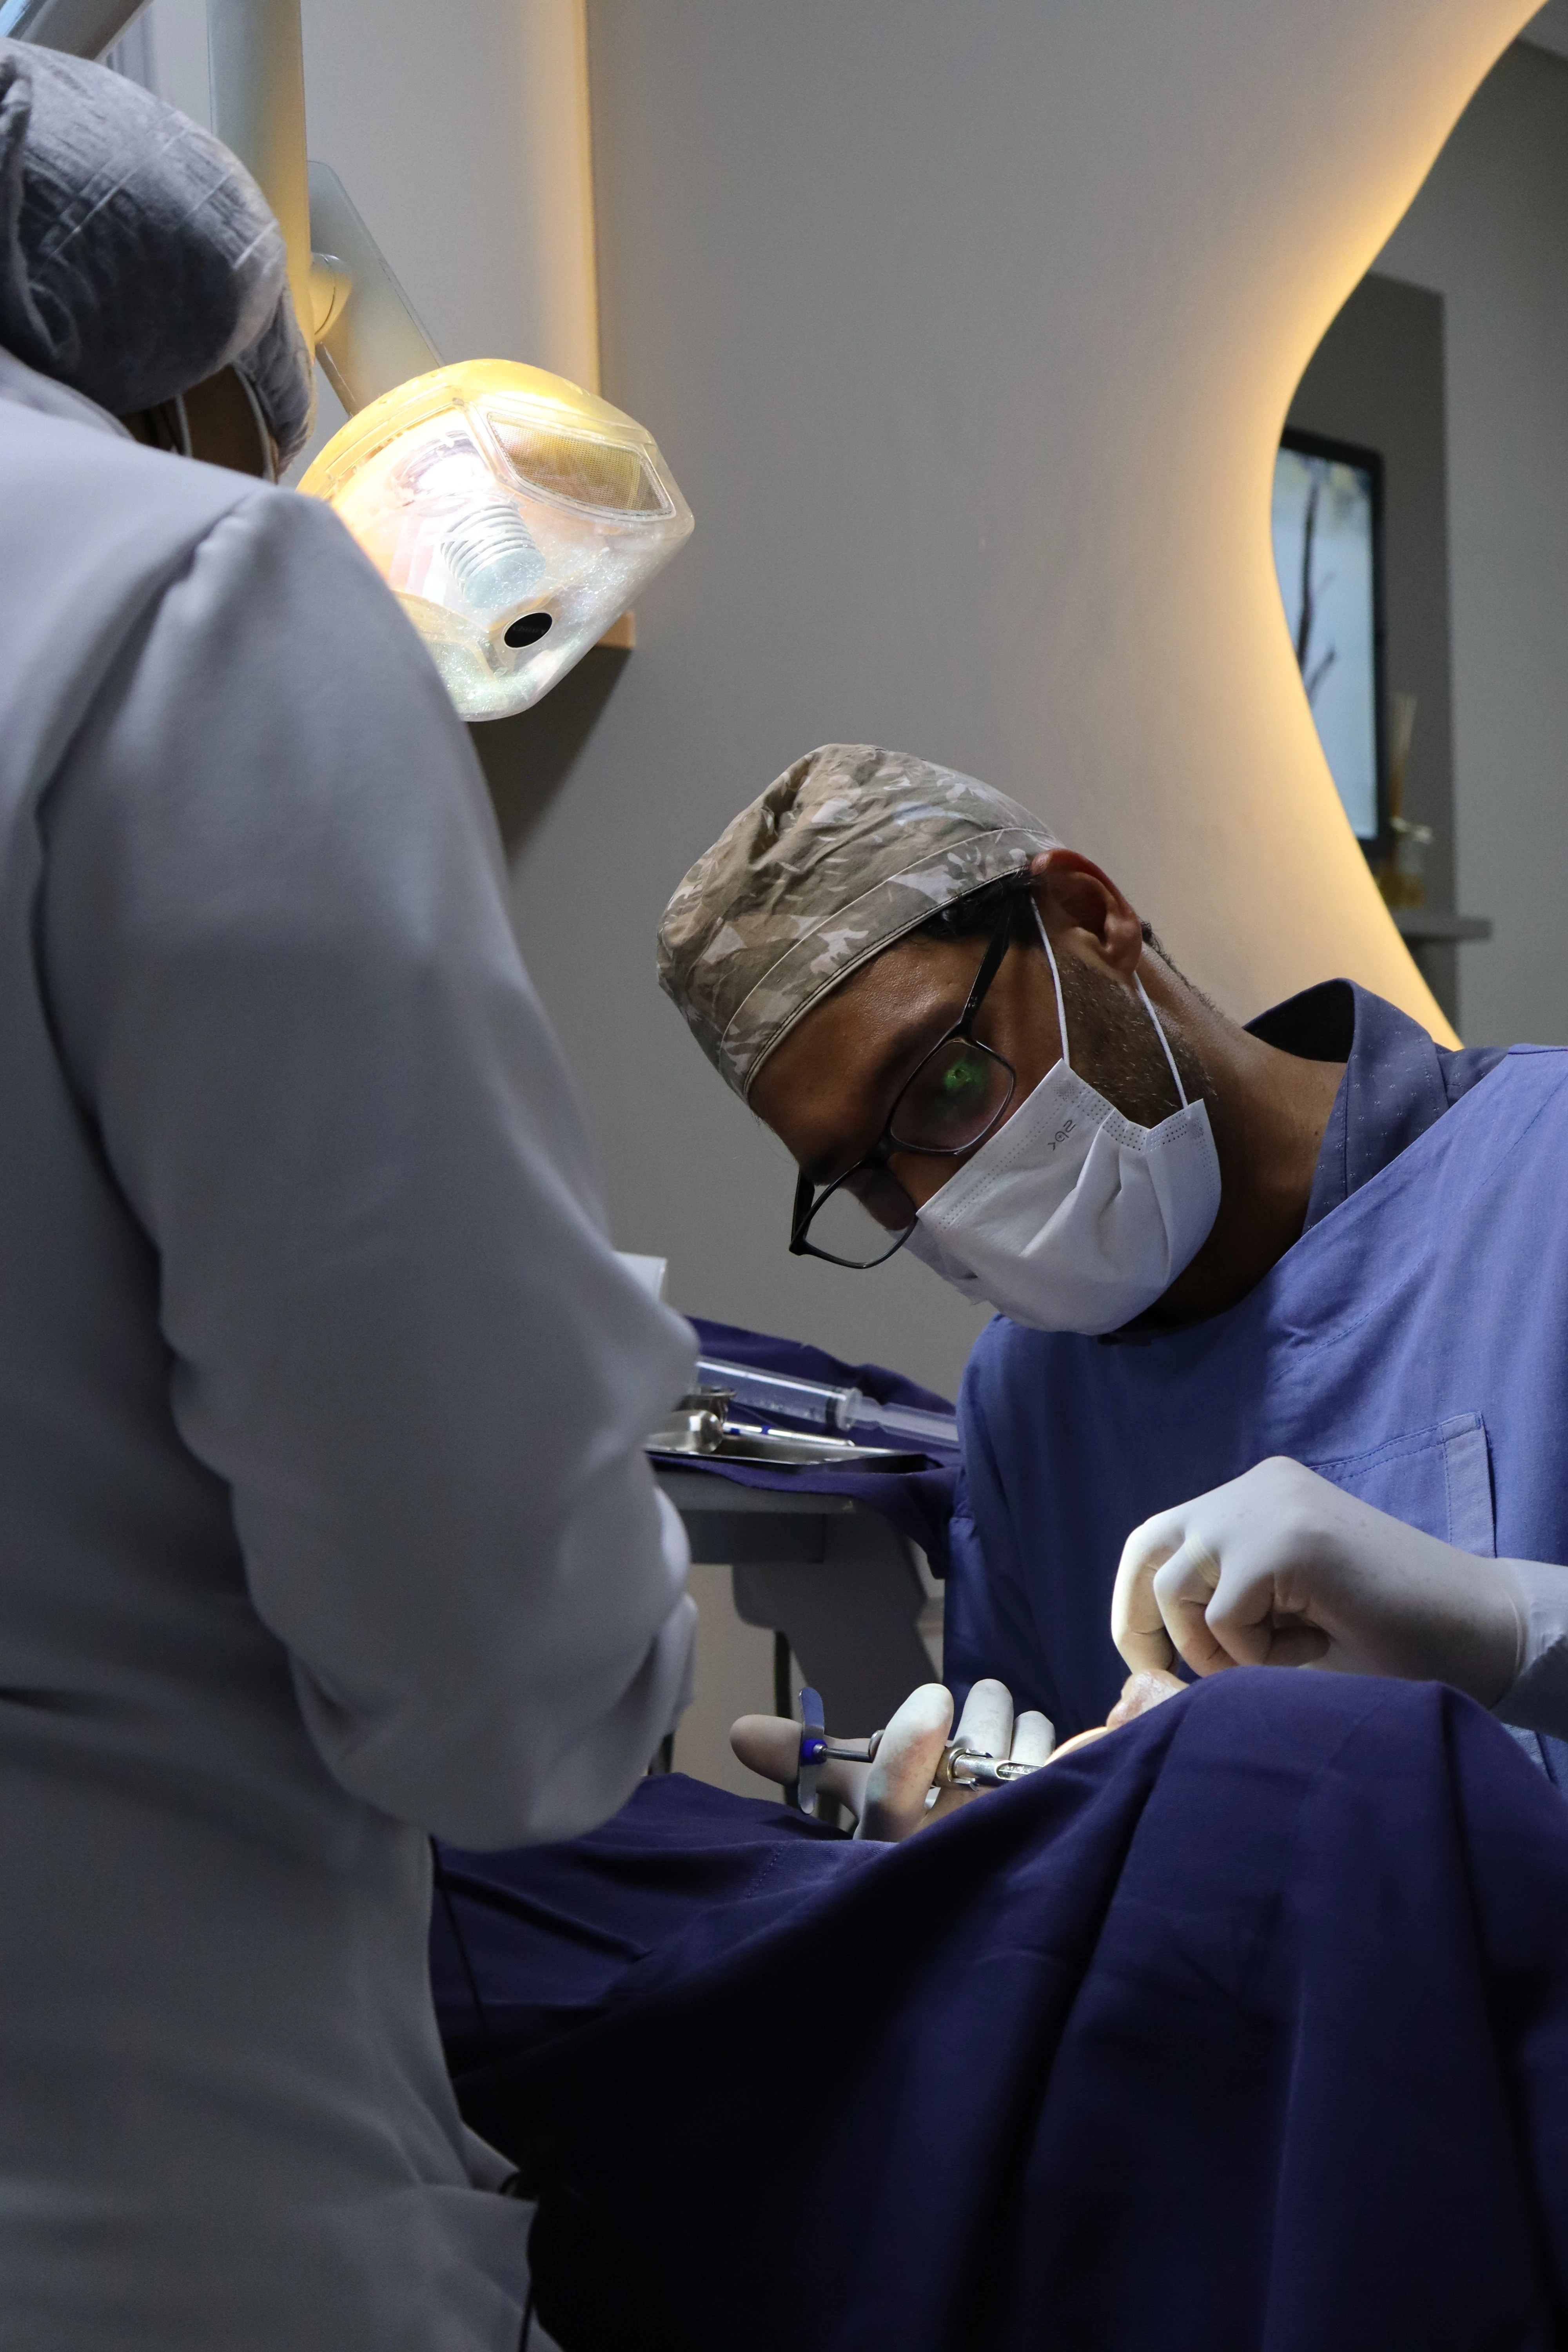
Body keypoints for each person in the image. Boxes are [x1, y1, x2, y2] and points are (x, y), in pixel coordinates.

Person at [0, 41, 695, 2352]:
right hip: (156, 2212)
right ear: (205, 385)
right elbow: (504, 1689)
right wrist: (615, 1536)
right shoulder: (183, 595)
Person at [655, 740, 1568, 1760]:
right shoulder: (1029, 1399)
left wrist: (1512, 1628)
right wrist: (987, 1848)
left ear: (1091, 921)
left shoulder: (1546, 1173)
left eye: (950, 1085)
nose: (940, 1203)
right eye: (870, 1174)